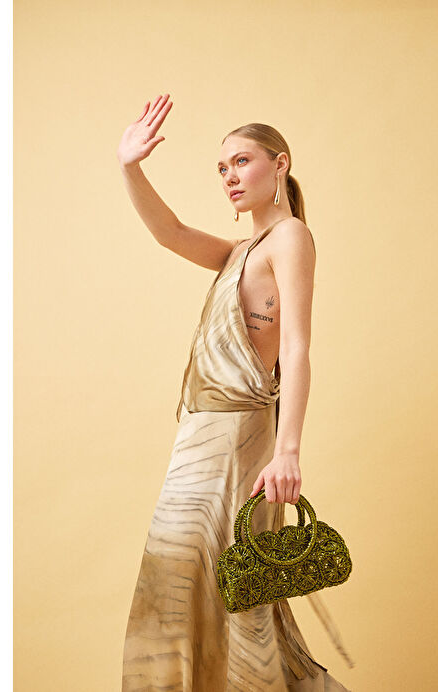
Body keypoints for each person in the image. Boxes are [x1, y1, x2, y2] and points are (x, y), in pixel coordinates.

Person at [117, 93, 353, 691]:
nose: (229, 176)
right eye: (222, 167)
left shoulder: (290, 237)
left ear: (280, 164)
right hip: (199, 435)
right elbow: (169, 232)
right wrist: (130, 167)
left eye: (242, 161)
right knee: (184, 583)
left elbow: (296, 346)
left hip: (239, 439)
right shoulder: (238, 253)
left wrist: (288, 450)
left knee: (230, 591)